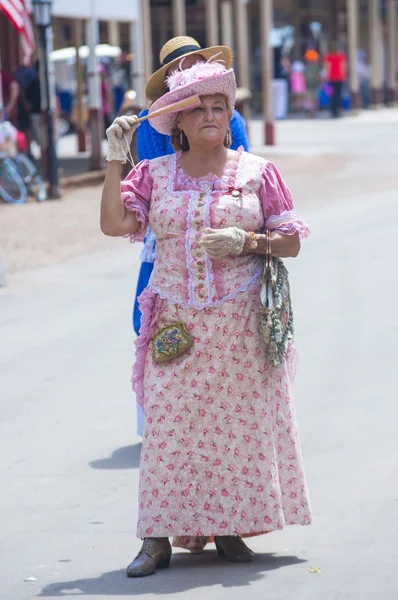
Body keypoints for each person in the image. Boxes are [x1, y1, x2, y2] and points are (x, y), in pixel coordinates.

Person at [101, 57, 312, 576]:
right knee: (170, 428)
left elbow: (291, 242)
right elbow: (114, 224)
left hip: (241, 325)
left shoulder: (258, 172)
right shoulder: (154, 174)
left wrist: (248, 240)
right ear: (180, 122)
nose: (213, 115)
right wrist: (114, 159)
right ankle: (155, 540)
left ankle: (228, 527)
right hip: (177, 323)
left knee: (237, 431)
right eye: (201, 109)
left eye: (221, 106)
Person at [133, 37, 250, 437]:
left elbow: (244, 171)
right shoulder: (151, 122)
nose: (191, 74)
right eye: (180, 70)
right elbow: (147, 178)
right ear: (169, 80)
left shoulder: (231, 120)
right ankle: (163, 417)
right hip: (167, 230)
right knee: (150, 321)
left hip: (222, 223)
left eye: (197, 64)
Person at [323, 42, 347, 118]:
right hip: (339, 78)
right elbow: (343, 67)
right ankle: (338, 111)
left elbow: (327, 67)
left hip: (331, 79)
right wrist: (344, 76)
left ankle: (333, 111)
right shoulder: (341, 56)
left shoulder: (328, 56)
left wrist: (326, 77)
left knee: (331, 95)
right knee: (338, 95)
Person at [303, 49, 321, 117]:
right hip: (314, 84)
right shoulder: (316, 66)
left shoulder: (306, 66)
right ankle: (314, 111)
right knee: (314, 99)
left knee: (310, 98)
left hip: (309, 85)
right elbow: (319, 76)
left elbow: (304, 76)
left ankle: (311, 111)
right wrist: (320, 82)